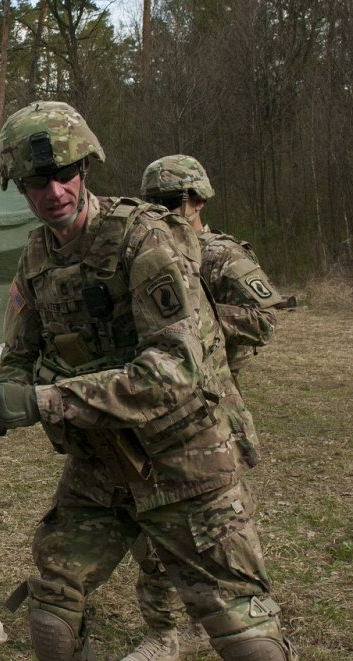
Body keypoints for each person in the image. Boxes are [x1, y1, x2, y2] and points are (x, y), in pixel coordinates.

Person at [0, 101, 296, 661]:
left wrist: (44, 400)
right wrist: (1, 396)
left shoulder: (144, 240)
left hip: (184, 455)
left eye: (64, 174)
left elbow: (174, 373)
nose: (54, 192)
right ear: (19, 186)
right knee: (52, 613)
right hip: (102, 462)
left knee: (246, 636)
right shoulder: (37, 258)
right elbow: (21, 352)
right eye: (36, 182)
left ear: (85, 169)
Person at [119, 155, 287, 661]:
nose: (164, 212)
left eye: (172, 202)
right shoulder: (139, 250)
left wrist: (201, 319)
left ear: (198, 200)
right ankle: (162, 630)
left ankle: (234, 625)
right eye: (153, 203)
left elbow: (264, 318)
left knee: (219, 532)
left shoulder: (221, 255)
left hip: (210, 409)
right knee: (151, 522)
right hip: (154, 408)